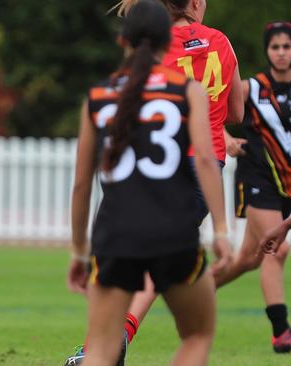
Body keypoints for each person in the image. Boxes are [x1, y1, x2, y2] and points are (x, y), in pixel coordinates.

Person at [64, 1, 242, 364]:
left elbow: (82, 185)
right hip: (177, 197)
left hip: (119, 218)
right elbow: (225, 127)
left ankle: (101, 349)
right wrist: (223, 231)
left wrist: (79, 251)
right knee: (197, 334)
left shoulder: (102, 95)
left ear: (124, 43)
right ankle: (115, 340)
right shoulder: (204, 63)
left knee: (100, 347)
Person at [216, 21, 291, 353]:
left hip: (287, 184)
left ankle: (193, 293)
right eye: (275, 47)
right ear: (267, 51)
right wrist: (226, 138)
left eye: (286, 46)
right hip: (255, 179)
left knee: (248, 259)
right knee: (277, 248)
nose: (281, 53)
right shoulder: (252, 88)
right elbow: (211, 111)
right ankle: (280, 332)